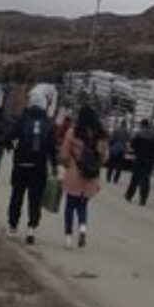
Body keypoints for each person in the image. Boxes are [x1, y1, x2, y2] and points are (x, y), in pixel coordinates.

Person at [6, 94, 57, 244]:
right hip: (39, 167)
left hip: (21, 164)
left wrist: (12, 148)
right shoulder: (48, 124)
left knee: (17, 196)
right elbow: (52, 148)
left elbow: (8, 137)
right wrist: (54, 165)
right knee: (35, 199)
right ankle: (31, 228)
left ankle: (12, 226)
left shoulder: (22, 120)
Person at [58, 105, 107, 248]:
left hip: (74, 173)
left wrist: (67, 163)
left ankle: (68, 237)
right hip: (90, 175)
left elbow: (64, 153)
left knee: (70, 204)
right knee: (83, 204)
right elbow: (105, 158)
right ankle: (83, 227)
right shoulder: (100, 135)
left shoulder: (73, 132)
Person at [126, 119, 154, 205]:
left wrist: (137, 151)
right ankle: (143, 199)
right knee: (145, 179)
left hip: (139, 159)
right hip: (149, 161)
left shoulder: (139, 134)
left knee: (135, 178)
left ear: (142, 125)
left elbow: (133, 145)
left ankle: (129, 195)